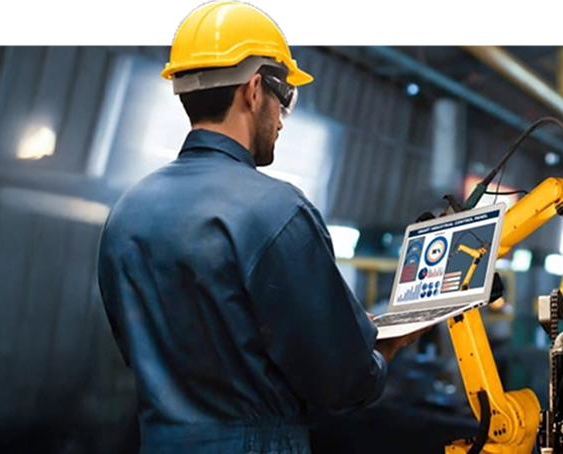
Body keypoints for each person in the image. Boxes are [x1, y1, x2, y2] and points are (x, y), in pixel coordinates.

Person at [97, 2, 425, 452]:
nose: (282, 118)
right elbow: (343, 383)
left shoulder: (127, 212)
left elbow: (143, 348)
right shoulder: (276, 210)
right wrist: (380, 351)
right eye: (284, 96)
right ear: (254, 91)